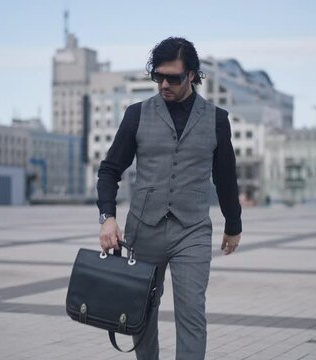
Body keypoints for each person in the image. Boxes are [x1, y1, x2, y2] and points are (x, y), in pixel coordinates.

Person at [96, 37, 242, 360]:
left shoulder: (217, 120)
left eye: (173, 78)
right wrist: (107, 217)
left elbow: (226, 178)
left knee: (191, 315)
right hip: (143, 230)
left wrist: (233, 224)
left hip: (191, 230)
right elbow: (109, 171)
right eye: (158, 76)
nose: (164, 84)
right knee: (141, 314)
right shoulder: (137, 115)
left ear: (191, 75)